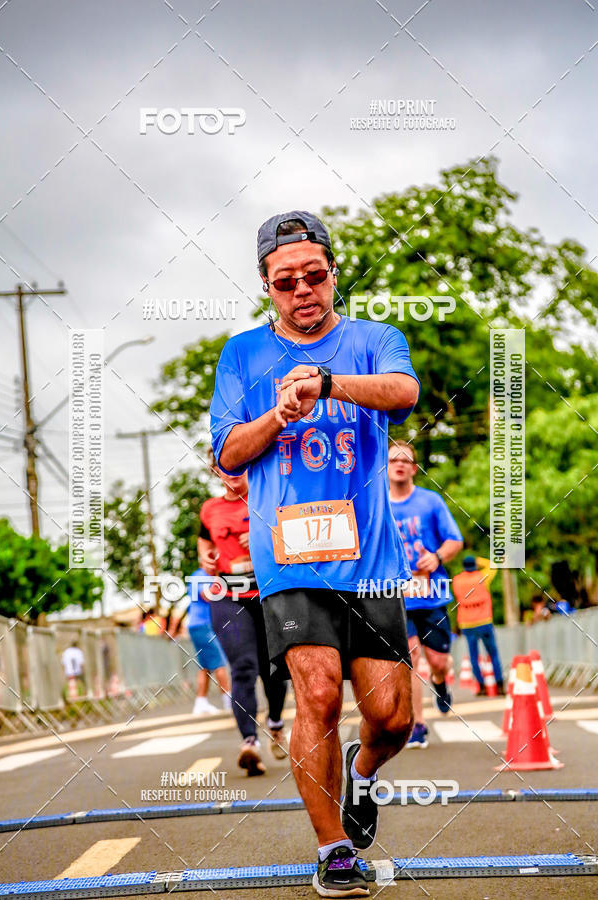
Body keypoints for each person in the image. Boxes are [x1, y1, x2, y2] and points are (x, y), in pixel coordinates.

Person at [210, 211, 420, 897]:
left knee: (393, 716)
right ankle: (332, 850)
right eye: (284, 281)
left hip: (372, 562)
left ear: (333, 272)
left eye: (314, 276)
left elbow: (404, 392)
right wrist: (277, 415)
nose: (301, 290)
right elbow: (227, 455)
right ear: (266, 287)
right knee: (319, 695)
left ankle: (364, 770)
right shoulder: (241, 354)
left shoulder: (374, 339)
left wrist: (325, 383)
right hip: (289, 559)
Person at [199, 455, 288, 776]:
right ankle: (249, 742)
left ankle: (275, 722)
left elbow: (297, 535)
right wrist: (204, 556)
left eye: (238, 464)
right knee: (243, 667)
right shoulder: (210, 509)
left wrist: (267, 535)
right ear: (215, 471)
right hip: (228, 595)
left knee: (274, 668)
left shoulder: (269, 496)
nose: (232, 472)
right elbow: (204, 538)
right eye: (224, 466)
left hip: (269, 592)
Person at [388, 440, 463, 749]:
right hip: (397, 596)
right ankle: (417, 724)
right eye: (394, 460)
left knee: (438, 659)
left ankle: (441, 680)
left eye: (406, 460)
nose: (400, 464)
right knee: (410, 658)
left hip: (432, 593)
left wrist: (436, 557)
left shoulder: (430, 502)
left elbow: (455, 540)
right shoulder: (378, 505)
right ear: (386, 468)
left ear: (414, 468)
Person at [452, 555, 504, 695]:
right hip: (484, 621)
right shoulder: (481, 577)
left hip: (467, 624)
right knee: (493, 654)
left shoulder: (457, 580)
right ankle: (499, 685)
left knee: (474, 656)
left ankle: (481, 687)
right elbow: (493, 564)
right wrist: (479, 560)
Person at [186, 566, 232, 715]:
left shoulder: (209, 577)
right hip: (202, 626)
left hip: (202, 625)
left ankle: (201, 702)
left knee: (205, 665)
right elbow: (207, 595)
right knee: (220, 663)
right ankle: (230, 701)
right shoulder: (199, 575)